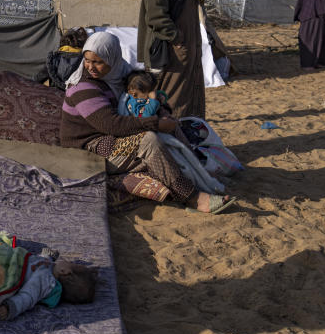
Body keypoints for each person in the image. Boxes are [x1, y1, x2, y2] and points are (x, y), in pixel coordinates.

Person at [60, 32, 235, 214]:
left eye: (98, 62)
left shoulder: (121, 72)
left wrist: (162, 112)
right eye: (87, 60)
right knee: (149, 140)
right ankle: (191, 197)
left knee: (172, 125)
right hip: (90, 147)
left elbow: (148, 92)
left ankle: (200, 172)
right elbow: (111, 125)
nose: (90, 67)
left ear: (113, 59)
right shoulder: (83, 88)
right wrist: (156, 124)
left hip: (113, 137)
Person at [137, 0, 205, 119]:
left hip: (187, 47)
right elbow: (156, 16)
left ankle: (188, 141)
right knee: (171, 99)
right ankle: (171, 142)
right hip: (171, 49)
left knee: (189, 95)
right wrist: (177, 39)